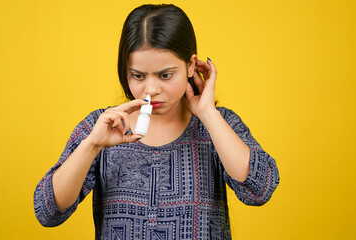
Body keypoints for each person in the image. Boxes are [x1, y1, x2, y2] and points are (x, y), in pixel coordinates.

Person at [34, 4, 279, 239]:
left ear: (191, 66)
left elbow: (260, 189)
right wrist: (91, 146)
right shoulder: (103, 126)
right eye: (138, 76)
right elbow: (48, 211)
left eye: (165, 75)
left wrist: (208, 114)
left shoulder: (219, 124)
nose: (151, 89)